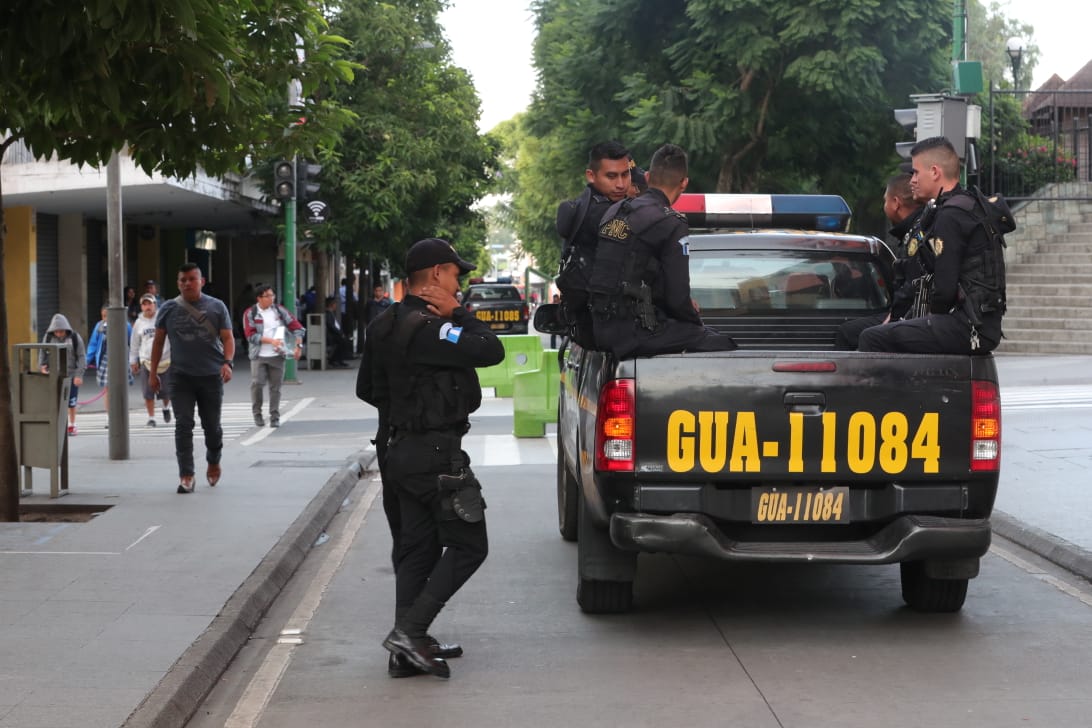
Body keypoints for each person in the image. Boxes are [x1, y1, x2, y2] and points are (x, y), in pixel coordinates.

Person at [361, 237, 504, 679]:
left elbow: (367, 388)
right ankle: (411, 632)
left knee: (416, 549)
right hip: (435, 454)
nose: (459, 284)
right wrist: (459, 315)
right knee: (469, 544)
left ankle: (407, 651)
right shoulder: (434, 326)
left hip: (397, 451)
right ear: (437, 275)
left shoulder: (383, 324)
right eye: (455, 275)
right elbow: (489, 350)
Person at [858, 137, 1011, 354]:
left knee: (871, 338)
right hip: (979, 324)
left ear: (935, 172)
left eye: (916, 172)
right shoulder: (966, 205)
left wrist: (922, 319)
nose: (912, 180)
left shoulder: (951, 214)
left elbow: (944, 290)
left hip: (966, 326)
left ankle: (884, 390)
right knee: (895, 330)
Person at [589, 143, 738, 358]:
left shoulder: (614, 211)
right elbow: (678, 299)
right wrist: (696, 322)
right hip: (635, 334)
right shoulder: (671, 222)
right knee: (722, 342)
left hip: (600, 329)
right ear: (684, 183)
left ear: (648, 177)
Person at [149, 263, 235, 494]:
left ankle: (214, 459)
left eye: (191, 279)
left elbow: (228, 338)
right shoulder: (168, 308)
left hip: (210, 376)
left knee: (212, 427)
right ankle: (186, 474)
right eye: (182, 280)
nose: (187, 283)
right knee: (183, 425)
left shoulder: (216, 307)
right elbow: (158, 342)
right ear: (178, 283)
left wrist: (227, 363)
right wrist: (153, 373)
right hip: (180, 377)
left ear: (201, 281)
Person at [554, 140, 635, 346]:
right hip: (609, 330)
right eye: (611, 176)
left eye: (625, 175)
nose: (620, 184)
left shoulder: (586, 204)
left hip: (592, 329)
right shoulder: (603, 214)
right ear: (591, 176)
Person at [835, 173, 925, 349]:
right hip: (914, 315)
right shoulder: (916, 230)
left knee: (854, 333)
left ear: (896, 203)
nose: (884, 206)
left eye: (886, 200)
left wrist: (892, 317)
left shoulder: (916, 234)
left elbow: (911, 285)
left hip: (913, 316)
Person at [243, 284, 305, 427]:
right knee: (257, 384)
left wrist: (298, 346)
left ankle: (274, 417)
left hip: (277, 355)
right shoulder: (250, 313)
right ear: (259, 298)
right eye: (268, 296)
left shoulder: (279, 311)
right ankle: (257, 414)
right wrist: (271, 341)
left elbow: (297, 328)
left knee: (275, 388)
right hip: (259, 355)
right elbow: (250, 335)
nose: (272, 298)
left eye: (273, 295)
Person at [39, 314, 87, 436]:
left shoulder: (75, 337)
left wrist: (79, 374)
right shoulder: (48, 337)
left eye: (61, 331)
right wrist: (42, 366)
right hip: (54, 374)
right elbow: (42, 352)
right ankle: (57, 424)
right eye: (56, 332)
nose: (59, 334)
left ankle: (72, 424)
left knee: (71, 402)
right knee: (55, 401)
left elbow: (81, 356)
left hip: (71, 374)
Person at [130, 294, 173, 426]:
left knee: (166, 391)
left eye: (150, 304)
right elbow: (134, 343)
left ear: (155, 305)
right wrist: (133, 361)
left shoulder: (163, 318)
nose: (147, 307)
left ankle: (166, 407)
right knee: (148, 391)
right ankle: (151, 417)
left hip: (165, 359)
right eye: (144, 304)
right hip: (146, 361)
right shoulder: (138, 323)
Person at [85, 305, 133, 415]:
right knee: (108, 389)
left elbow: (132, 342)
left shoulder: (126, 325)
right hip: (105, 360)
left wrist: (134, 359)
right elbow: (93, 344)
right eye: (103, 316)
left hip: (121, 359)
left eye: (107, 316)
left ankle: (121, 414)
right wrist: (86, 361)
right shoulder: (99, 326)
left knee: (121, 388)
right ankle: (109, 415)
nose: (105, 318)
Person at [324, 295, 352, 367]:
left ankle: (339, 359)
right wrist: (340, 333)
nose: (336, 306)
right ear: (332, 305)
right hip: (331, 336)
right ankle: (335, 360)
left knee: (344, 341)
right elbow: (331, 326)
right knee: (342, 342)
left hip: (334, 334)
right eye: (335, 304)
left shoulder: (331, 314)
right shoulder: (328, 314)